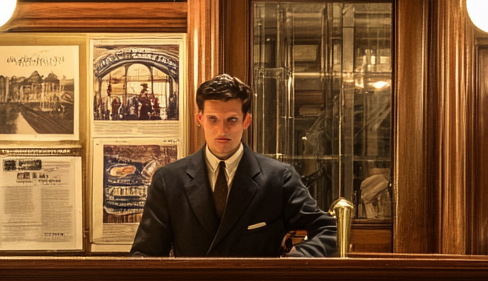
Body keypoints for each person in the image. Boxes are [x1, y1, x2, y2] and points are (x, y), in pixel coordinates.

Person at [131, 73, 336, 258]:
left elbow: (328, 230)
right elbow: (146, 252)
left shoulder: (279, 178)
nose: (222, 129)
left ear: (246, 121)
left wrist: (296, 263)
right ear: (199, 119)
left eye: (232, 119)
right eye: (213, 119)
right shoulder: (169, 180)